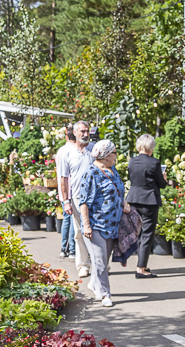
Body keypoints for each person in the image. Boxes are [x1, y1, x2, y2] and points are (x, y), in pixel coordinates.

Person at [77, 140, 129, 308]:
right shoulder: (91, 173)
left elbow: (119, 189)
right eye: (114, 152)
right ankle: (105, 294)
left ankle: (94, 283)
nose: (116, 155)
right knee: (99, 262)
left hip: (113, 224)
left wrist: (124, 203)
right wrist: (86, 225)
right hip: (97, 224)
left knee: (104, 261)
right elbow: (83, 201)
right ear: (106, 156)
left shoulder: (112, 170)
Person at [127, 133, 168, 278]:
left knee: (138, 232)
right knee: (147, 233)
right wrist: (164, 178)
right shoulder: (154, 163)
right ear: (151, 147)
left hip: (134, 199)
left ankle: (141, 263)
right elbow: (161, 184)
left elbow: (131, 179)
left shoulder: (132, 162)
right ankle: (141, 268)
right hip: (149, 200)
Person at [58, 120, 95, 278]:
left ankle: (100, 263)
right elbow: (64, 178)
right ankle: (83, 265)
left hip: (96, 198)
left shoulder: (93, 150)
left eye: (87, 131)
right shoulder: (67, 153)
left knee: (99, 231)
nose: (86, 134)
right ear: (75, 133)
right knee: (80, 232)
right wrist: (66, 201)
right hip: (77, 199)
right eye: (82, 132)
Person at [56, 126, 78, 259]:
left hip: (62, 189)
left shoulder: (60, 150)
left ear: (66, 136)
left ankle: (63, 248)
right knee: (73, 220)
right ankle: (72, 249)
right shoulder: (74, 150)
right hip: (71, 189)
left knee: (66, 219)